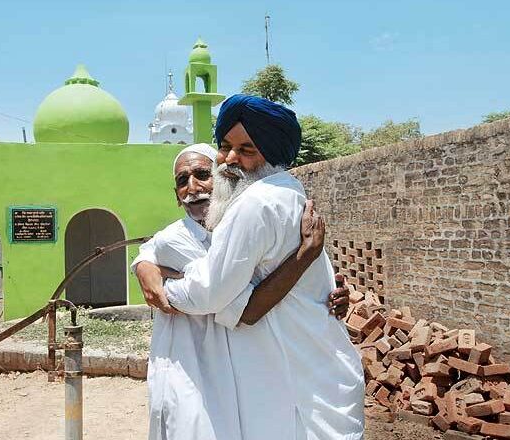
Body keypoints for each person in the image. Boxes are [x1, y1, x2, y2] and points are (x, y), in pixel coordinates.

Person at [152, 95, 365, 439]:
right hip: (318, 374)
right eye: (225, 147)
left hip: (296, 384)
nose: (230, 160)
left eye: (247, 150)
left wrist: (167, 287)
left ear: (271, 153)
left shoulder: (254, 203)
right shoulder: (290, 192)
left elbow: (211, 295)